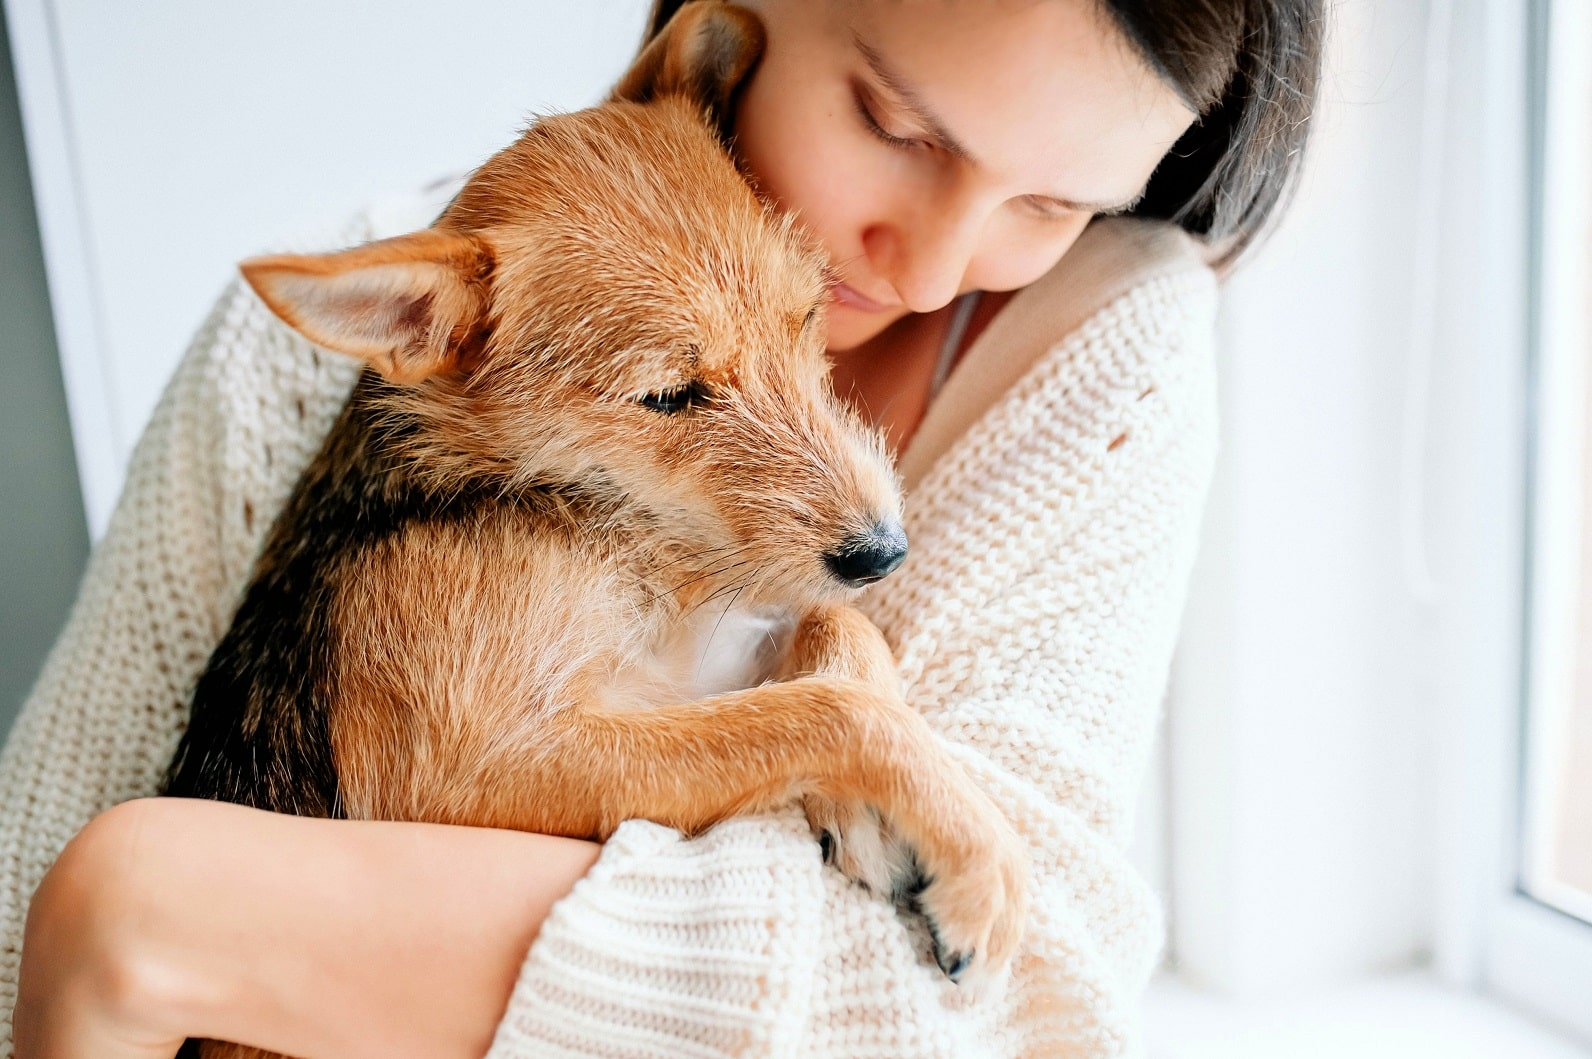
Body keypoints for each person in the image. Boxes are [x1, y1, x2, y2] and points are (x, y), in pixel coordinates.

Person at [2, 0, 1322, 1055]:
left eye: (1056, 201)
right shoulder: (377, 364)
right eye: (892, 121)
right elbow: (31, 926)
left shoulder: (1114, 361)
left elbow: (1006, 1002)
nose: (924, 265)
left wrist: (168, 903)